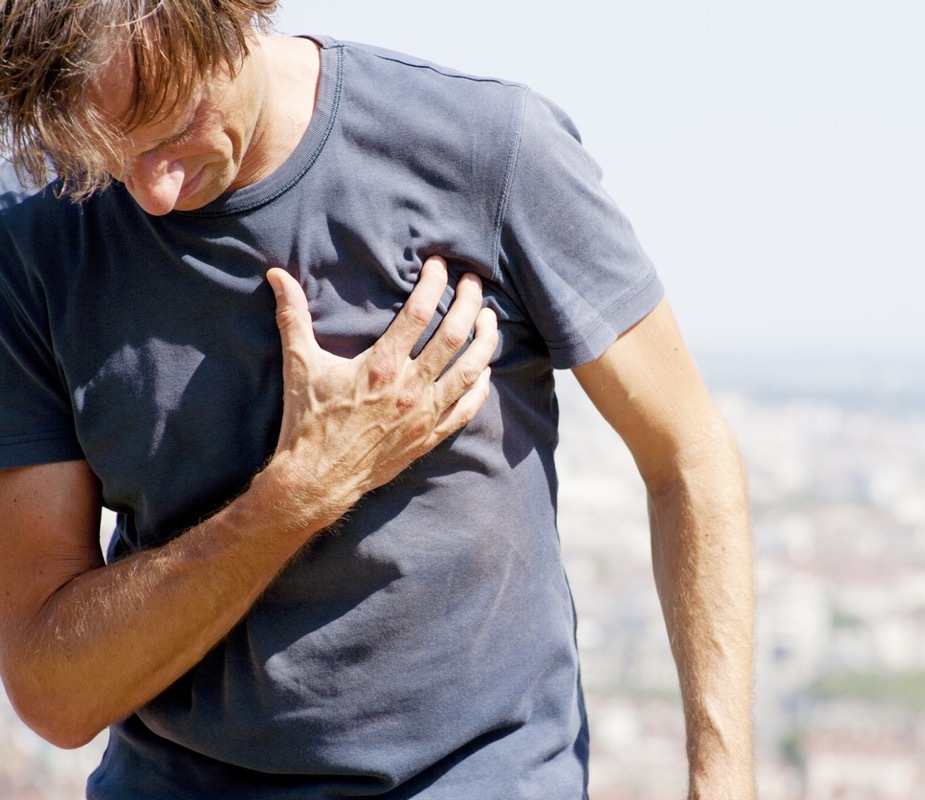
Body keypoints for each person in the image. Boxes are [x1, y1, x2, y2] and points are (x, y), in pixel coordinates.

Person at [0, 1, 755, 798]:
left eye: (172, 123)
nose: (152, 192)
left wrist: (722, 779)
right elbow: (56, 694)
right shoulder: (32, 236)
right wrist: (300, 492)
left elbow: (687, 456)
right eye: (108, 156)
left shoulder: (489, 151)